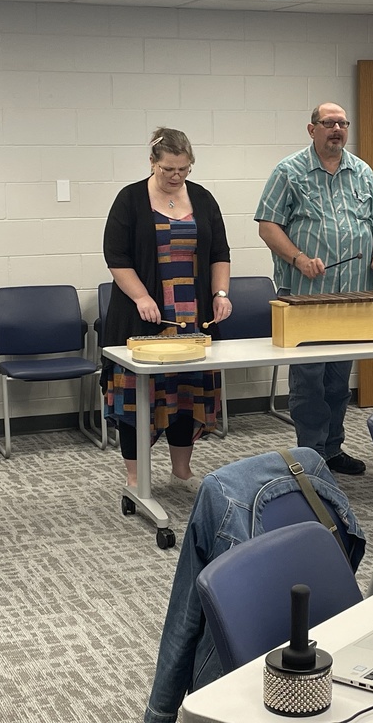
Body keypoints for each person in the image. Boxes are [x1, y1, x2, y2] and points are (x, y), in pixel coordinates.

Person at [255, 102, 373, 476]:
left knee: (337, 381)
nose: (337, 129)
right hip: (305, 296)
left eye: (342, 123)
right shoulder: (289, 171)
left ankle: (332, 449)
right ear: (311, 128)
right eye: (328, 123)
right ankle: (310, 454)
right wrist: (298, 257)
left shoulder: (362, 172)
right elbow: (268, 226)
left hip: (352, 296)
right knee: (309, 380)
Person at [102, 127, 232, 487]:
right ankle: (135, 476)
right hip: (142, 315)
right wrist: (142, 296)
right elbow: (116, 256)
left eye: (184, 169)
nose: (176, 177)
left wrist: (220, 294)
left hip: (192, 315)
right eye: (168, 170)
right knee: (137, 396)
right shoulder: (129, 200)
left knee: (186, 394)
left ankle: (181, 469)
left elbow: (220, 253)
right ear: (152, 163)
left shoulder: (203, 200)